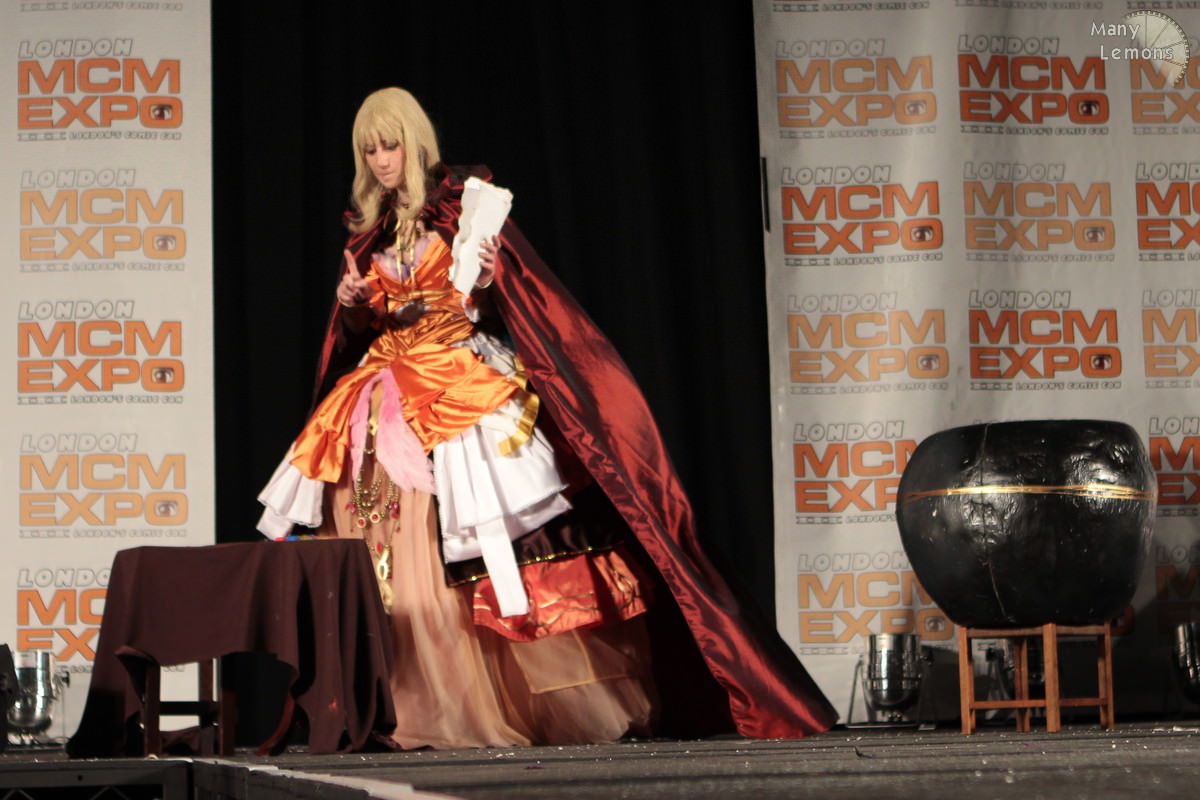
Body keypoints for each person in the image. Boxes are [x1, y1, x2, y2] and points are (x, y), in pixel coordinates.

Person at [258, 87, 836, 749]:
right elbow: (361, 327)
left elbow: (505, 301)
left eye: (390, 145)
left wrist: (479, 282)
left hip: (457, 382)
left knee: (473, 530)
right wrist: (354, 302)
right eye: (369, 150)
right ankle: (401, 699)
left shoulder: (462, 208)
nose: (382, 160)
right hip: (383, 391)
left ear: (415, 143)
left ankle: (481, 700)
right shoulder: (370, 231)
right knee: (375, 528)